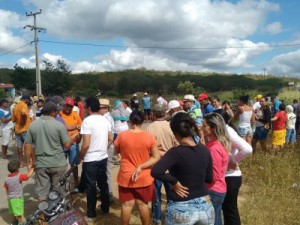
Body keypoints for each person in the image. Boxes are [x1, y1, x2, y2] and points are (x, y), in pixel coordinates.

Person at [151, 112, 214, 225]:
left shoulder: (175, 152)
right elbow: (209, 178)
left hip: (181, 206)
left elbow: (155, 171)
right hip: (205, 204)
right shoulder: (204, 149)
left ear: (175, 133)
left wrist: (174, 181)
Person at [114, 110, 160, 225]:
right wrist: (142, 166)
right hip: (143, 176)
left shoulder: (122, 135)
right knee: (143, 204)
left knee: (126, 205)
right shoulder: (149, 137)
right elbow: (156, 157)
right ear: (143, 121)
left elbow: (116, 152)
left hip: (126, 176)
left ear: (130, 120)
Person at [24, 101, 76, 201]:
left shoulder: (33, 125)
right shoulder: (59, 125)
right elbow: (66, 144)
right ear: (52, 112)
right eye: (55, 112)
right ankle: (58, 213)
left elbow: (27, 146)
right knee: (59, 190)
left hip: (42, 164)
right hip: (58, 163)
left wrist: (29, 163)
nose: (56, 114)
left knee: (42, 192)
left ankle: (44, 213)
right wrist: (73, 139)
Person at [215, 109, 252, 225]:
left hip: (231, 176)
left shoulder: (228, 132)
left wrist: (233, 159)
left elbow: (247, 149)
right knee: (227, 209)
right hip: (226, 176)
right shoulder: (222, 131)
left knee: (230, 210)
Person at [79, 96, 113, 222]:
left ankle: (91, 213)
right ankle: (105, 208)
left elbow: (86, 144)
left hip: (90, 159)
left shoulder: (87, 121)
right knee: (103, 184)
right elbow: (111, 139)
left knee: (91, 186)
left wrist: (80, 156)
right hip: (103, 157)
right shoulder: (105, 120)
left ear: (88, 108)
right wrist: (103, 148)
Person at [146, 104, 177, 225]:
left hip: (156, 165)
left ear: (153, 113)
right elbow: (176, 145)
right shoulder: (171, 126)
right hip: (171, 165)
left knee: (156, 193)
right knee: (171, 193)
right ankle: (172, 215)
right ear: (164, 113)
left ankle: (157, 218)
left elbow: (147, 148)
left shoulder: (149, 128)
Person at [203, 112, 231, 225]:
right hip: (217, 188)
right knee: (216, 219)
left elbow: (213, 175)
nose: (202, 128)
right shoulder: (215, 144)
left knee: (212, 221)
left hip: (213, 190)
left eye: (204, 125)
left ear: (213, 127)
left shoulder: (214, 148)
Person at [60, 97, 82, 192]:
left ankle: (76, 182)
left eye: (71, 106)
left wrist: (80, 137)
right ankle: (62, 182)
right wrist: (75, 127)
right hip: (62, 143)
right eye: (67, 106)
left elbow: (81, 127)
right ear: (64, 105)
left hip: (74, 143)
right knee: (61, 164)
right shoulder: (59, 115)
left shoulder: (75, 115)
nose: (69, 108)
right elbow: (64, 127)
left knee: (74, 163)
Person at [4, 160, 34, 225]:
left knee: (12, 211)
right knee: (18, 213)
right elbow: (28, 176)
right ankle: (20, 223)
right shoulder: (19, 177)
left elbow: (6, 189)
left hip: (10, 198)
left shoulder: (6, 179)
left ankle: (14, 222)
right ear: (17, 169)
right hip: (17, 198)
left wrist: (9, 196)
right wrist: (33, 168)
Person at [99, 98, 115, 202]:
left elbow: (109, 136)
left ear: (105, 108)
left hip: (107, 146)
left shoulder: (106, 118)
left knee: (106, 171)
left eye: (99, 108)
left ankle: (108, 194)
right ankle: (105, 192)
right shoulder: (106, 117)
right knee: (104, 171)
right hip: (106, 146)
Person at [12, 95, 31, 168]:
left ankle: (21, 162)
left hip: (17, 129)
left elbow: (13, 119)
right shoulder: (24, 105)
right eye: (29, 100)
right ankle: (28, 162)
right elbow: (23, 113)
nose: (29, 102)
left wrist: (19, 121)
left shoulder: (15, 106)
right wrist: (23, 120)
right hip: (25, 129)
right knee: (27, 146)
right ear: (26, 99)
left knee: (19, 147)